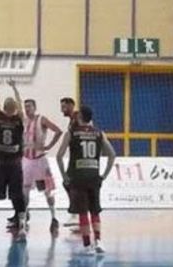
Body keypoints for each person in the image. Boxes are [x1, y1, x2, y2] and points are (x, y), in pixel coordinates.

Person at [56, 105, 116, 256]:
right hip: (94, 176)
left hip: (77, 177)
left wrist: (64, 175)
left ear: (79, 117)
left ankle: (87, 244)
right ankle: (99, 241)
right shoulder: (99, 133)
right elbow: (112, 155)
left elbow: (59, 156)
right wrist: (104, 175)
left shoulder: (71, 133)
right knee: (95, 211)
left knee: (83, 212)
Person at [0, 79, 27, 244]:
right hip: (15, 163)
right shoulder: (19, 119)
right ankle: (22, 227)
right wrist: (15, 88)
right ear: (14, 108)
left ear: (4, 107)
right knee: (17, 196)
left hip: (1, 162)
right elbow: (21, 104)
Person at [18, 98, 62, 235]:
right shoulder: (24, 121)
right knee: (24, 192)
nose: (27, 109)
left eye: (29, 106)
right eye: (25, 106)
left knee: (47, 192)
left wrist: (48, 146)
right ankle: (22, 221)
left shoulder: (41, 119)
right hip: (27, 160)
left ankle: (54, 217)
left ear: (35, 107)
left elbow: (58, 131)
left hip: (40, 161)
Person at [60, 97, 79, 228]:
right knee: (68, 184)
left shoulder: (78, 118)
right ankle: (76, 212)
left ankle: (76, 213)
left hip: (78, 157)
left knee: (70, 184)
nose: (62, 110)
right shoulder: (72, 120)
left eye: (64, 107)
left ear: (71, 105)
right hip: (74, 156)